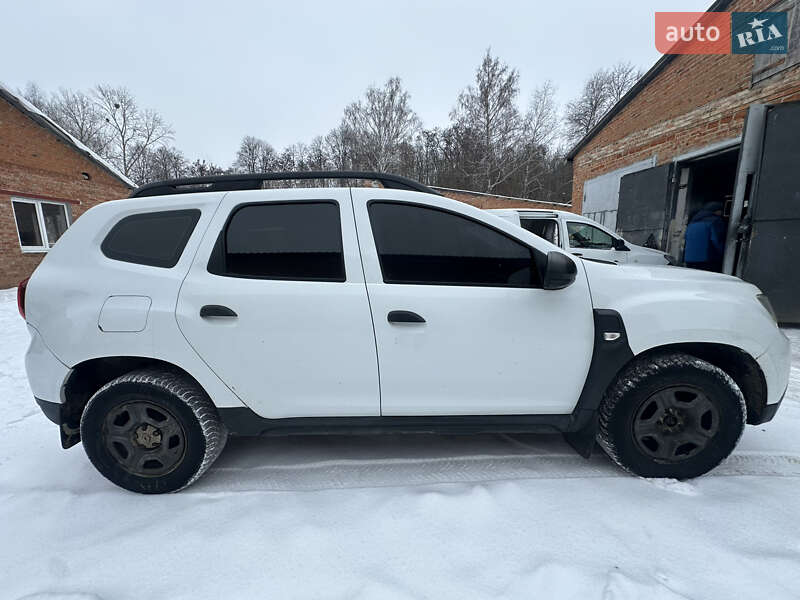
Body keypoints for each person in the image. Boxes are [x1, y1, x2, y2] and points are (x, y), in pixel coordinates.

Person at [684, 201, 727, 271]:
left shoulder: (693, 221)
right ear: (717, 211)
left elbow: (686, 238)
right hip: (706, 260)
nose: (721, 213)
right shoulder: (715, 221)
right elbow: (717, 240)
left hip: (689, 259)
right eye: (721, 210)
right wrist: (724, 254)